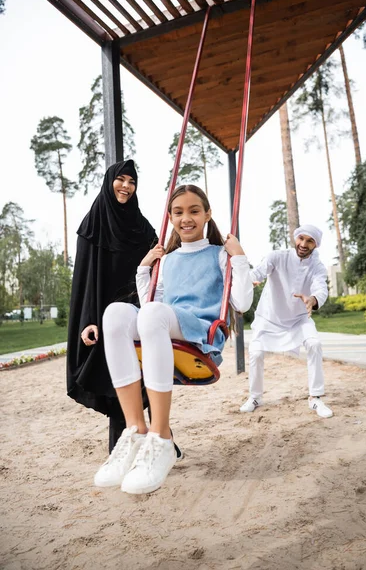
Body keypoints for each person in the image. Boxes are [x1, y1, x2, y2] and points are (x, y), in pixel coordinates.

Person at [94, 184, 253, 494]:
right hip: (168, 321)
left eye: (194, 210)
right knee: (115, 314)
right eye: (178, 212)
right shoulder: (168, 260)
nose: (186, 218)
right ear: (170, 218)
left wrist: (239, 258)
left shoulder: (220, 254)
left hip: (201, 331)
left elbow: (243, 303)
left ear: (208, 214)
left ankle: (161, 437)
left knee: (152, 314)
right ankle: (135, 429)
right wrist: (144, 269)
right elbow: (149, 306)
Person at [67, 160, 182, 458]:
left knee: (145, 378)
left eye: (132, 181)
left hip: (138, 310)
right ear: (109, 182)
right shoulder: (93, 224)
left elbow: (159, 264)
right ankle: (126, 447)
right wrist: (88, 320)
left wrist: (162, 250)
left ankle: (159, 437)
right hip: (104, 315)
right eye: (121, 179)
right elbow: (86, 279)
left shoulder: (141, 225)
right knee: (115, 382)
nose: (126, 186)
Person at [240, 224, 333, 419]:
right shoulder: (277, 256)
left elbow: (320, 287)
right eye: (301, 239)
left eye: (310, 241)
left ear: (316, 245)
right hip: (268, 318)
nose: (304, 244)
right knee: (255, 354)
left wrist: (313, 299)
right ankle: (255, 397)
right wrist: (249, 280)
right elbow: (257, 272)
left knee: (314, 344)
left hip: (299, 319)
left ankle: (315, 397)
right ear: (296, 238)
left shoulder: (317, 267)